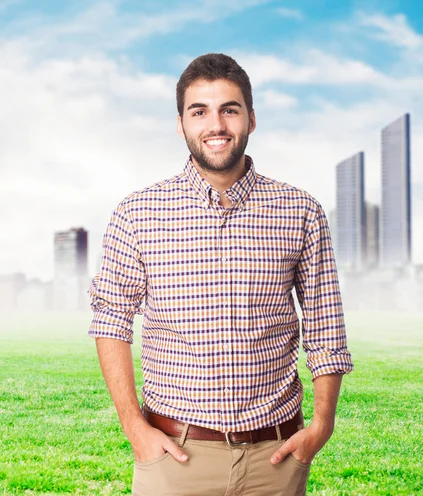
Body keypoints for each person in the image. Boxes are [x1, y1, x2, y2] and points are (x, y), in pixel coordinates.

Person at [88, 53, 353, 496]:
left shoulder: (300, 210)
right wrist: (135, 428)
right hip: (174, 456)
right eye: (199, 111)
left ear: (251, 118)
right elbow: (111, 320)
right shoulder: (137, 213)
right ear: (181, 124)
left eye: (229, 109)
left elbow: (325, 325)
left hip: (277, 455)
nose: (216, 125)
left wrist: (321, 427)